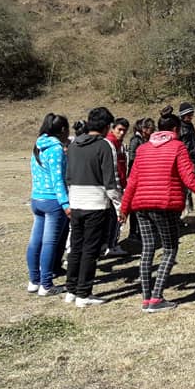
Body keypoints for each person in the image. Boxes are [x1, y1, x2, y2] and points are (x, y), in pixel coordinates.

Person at [119, 110, 195, 312]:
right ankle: (157, 297)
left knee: (148, 249)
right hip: (165, 205)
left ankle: (146, 298)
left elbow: (132, 181)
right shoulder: (177, 147)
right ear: (176, 129)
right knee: (169, 249)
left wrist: (124, 209)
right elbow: (190, 181)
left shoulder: (143, 149)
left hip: (140, 206)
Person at [64, 107, 121, 307]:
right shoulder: (105, 146)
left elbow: (68, 176)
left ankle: (71, 289)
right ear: (107, 127)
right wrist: (119, 205)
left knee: (76, 247)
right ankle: (83, 294)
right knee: (90, 249)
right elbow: (111, 180)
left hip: (75, 202)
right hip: (96, 204)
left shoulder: (72, 145)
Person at [27, 113, 71, 296]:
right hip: (53, 201)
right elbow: (58, 179)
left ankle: (34, 280)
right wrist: (65, 203)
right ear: (62, 130)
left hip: (37, 199)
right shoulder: (56, 149)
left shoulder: (38, 146)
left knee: (35, 241)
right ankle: (46, 284)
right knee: (49, 243)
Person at [124, 118, 155, 242]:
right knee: (135, 206)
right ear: (144, 129)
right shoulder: (135, 141)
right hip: (136, 177)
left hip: (143, 176)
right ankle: (133, 232)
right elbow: (132, 160)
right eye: (150, 130)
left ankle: (141, 231)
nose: (152, 132)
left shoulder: (143, 140)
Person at [103, 117, 130, 256]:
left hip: (119, 183)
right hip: (113, 185)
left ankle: (109, 243)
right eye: (119, 130)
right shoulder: (109, 143)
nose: (122, 133)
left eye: (124, 131)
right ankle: (111, 245)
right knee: (117, 216)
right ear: (112, 129)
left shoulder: (119, 143)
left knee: (113, 217)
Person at [178, 102, 195, 218]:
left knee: (190, 186)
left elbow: (193, 144)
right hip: (184, 160)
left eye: (192, 114)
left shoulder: (190, 126)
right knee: (183, 188)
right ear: (183, 115)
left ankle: (189, 211)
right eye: (189, 115)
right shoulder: (179, 127)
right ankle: (183, 213)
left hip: (192, 159)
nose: (191, 116)